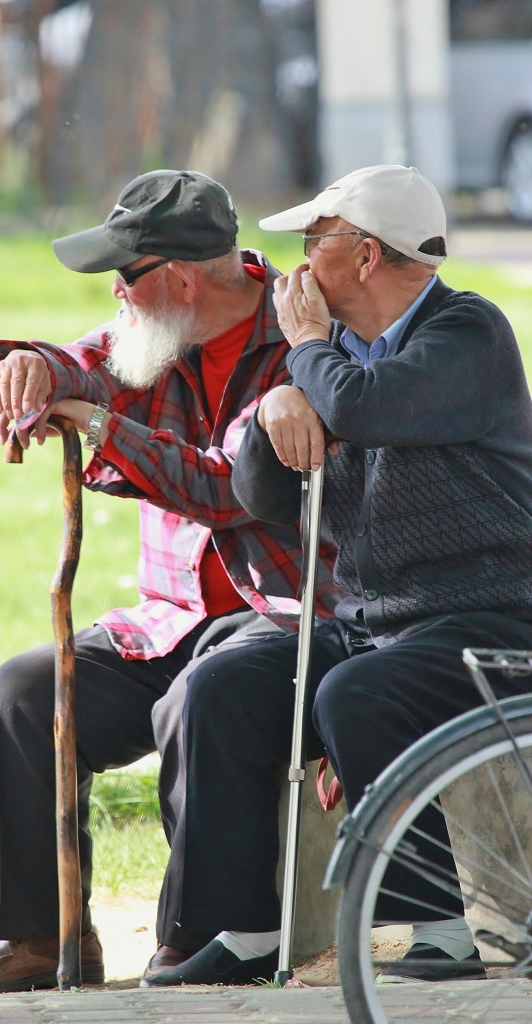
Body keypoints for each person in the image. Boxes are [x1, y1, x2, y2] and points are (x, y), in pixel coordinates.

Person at [0, 169, 341, 993]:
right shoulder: (156, 327)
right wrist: (36, 369)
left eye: (125, 276)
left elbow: (227, 486)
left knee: (205, 694)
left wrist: (96, 424)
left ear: (181, 279)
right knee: (21, 694)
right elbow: (84, 361)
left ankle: (195, 937)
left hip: (282, 615)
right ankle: (44, 937)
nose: (115, 295)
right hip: (173, 618)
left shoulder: (302, 337)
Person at [179, 163, 532, 987]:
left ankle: (438, 930)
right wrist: (273, 411)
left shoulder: (466, 333)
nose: (297, 267)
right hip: (381, 620)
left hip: (493, 613)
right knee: (222, 686)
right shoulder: (327, 358)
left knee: (358, 693)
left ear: (366, 256)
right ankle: (247, 927)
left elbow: (368, 407)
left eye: (315, 242)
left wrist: (302, 358)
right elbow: (260, 495)